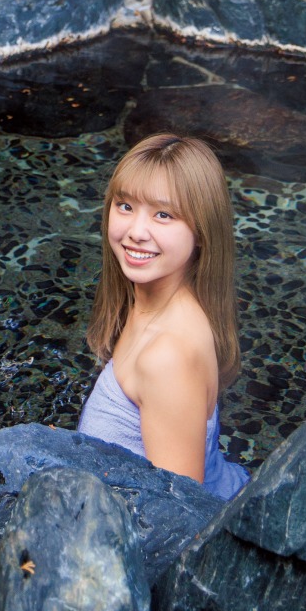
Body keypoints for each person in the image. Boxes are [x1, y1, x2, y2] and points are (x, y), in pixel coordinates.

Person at [77, 131, 248, 499]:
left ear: (201, 232)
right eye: (125, 206)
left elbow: (179, 512)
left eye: (163, 214)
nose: (136, 232)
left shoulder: (167, 357)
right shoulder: (151, 299)